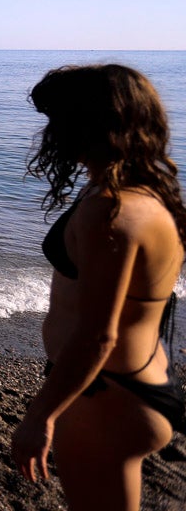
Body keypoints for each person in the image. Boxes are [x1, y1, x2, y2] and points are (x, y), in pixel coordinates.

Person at [11, 64, 185, 510]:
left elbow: (97, 335)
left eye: (57, 120)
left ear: (87, 125)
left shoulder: (110, 209)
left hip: (106, 394)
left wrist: (40, 415)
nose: (49, 132)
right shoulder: (148, 192)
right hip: (136, 382)